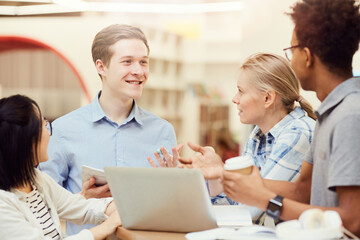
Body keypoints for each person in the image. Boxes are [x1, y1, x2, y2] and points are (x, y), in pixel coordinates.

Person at [180, 0, 360, 236]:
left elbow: (353, 221)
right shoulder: (329, 114)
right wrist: (221, 173)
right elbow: (301, 190)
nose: (290, 60)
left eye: (291, 51)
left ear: (306, 56)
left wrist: (266, 200)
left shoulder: (350, 117)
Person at [39, 24, 178, 234]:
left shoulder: (163, 131)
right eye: (127, 62)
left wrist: (172, 186)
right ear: (101, 67)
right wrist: (82, 199)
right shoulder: (63, 130)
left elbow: (173, 205)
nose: (139, 71)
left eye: (143, 62)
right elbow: (42, 207)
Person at [152, 53, 317, 223]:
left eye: (241, 91)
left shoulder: (298, 134)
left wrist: (220, 171)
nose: (234, 99)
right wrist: (210, 178)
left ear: (267, 98)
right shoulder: (258, 134)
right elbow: (237, 203)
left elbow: (256, 208)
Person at [0, 94, 121, 240]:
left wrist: (118, 209)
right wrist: (103, 229)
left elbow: (79, 206)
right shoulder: (3, 204)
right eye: (43, 126)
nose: (49, 134)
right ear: (25, 141)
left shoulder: (36, 179)